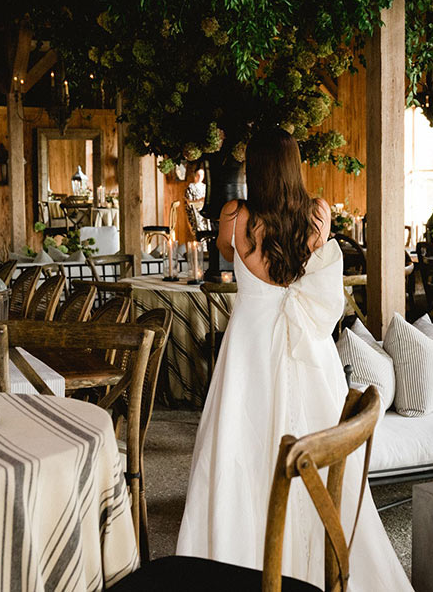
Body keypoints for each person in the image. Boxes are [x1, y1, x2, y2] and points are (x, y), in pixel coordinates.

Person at [176, 128, 412, 590]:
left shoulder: (235, 216)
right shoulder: (318, 215)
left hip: (248, 353)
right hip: (311, 355)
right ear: (294, 167)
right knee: (320, 453)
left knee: (239, 452)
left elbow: (227, 254)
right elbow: (322, 278)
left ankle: (237, 556)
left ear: (256, 169)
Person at [184, 165, 210, 233]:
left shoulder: (205, 187)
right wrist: (199, 200)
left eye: (202, 174)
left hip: (205, 212)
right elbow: (188, 202)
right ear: (195, 175)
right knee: (198, 232)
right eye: (198, 174)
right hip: (195, 213)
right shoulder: (191, 187)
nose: (200, 176)